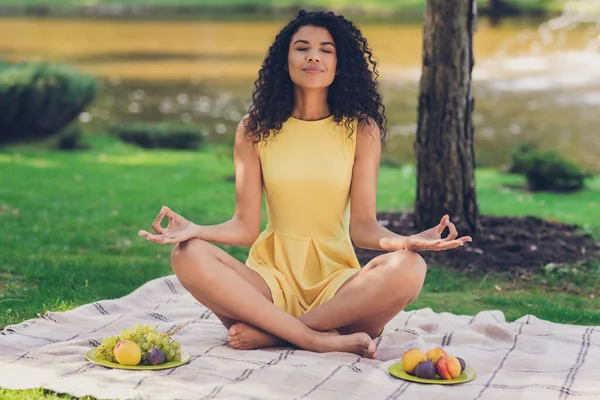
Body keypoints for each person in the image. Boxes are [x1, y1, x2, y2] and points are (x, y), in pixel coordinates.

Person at [138, 10, 472, 359]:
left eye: (326, 50)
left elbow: (363, 228)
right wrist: (196, 230)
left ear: (339, 65)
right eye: (302, 48)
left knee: (410, 267)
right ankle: (314, 337)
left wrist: (406, 241)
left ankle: (275, 333)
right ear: (285, 61)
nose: (314, 56)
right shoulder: (254, 129)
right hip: (269, 283)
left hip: (338, 287)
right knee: (187, 254)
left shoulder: (361, 129)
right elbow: (245, 226)